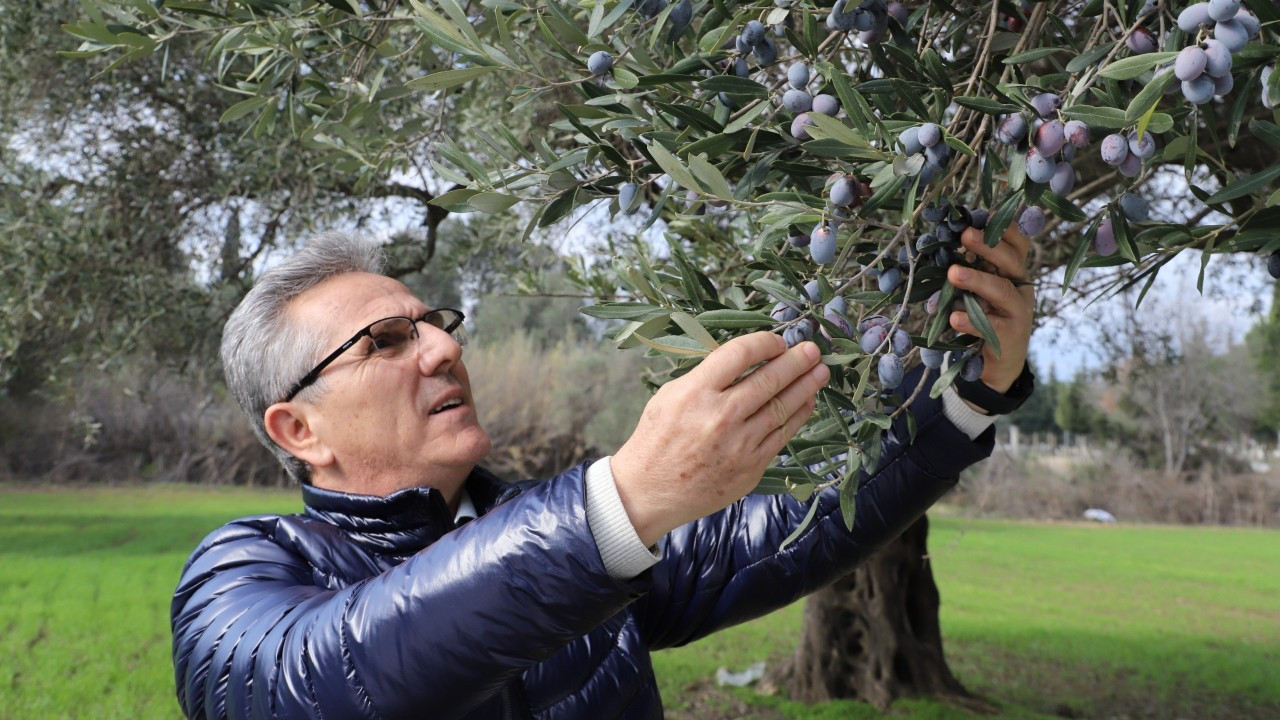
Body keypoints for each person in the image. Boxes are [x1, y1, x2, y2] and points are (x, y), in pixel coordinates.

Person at [173, 226, 1034, 720]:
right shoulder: (240, 576)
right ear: (298, 427)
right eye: (387, 342)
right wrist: (615, 506)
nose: (444, 346)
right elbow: (313, 683)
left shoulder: (582, 543)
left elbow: (797, 529)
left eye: (432, 323)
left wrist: (971, 399)